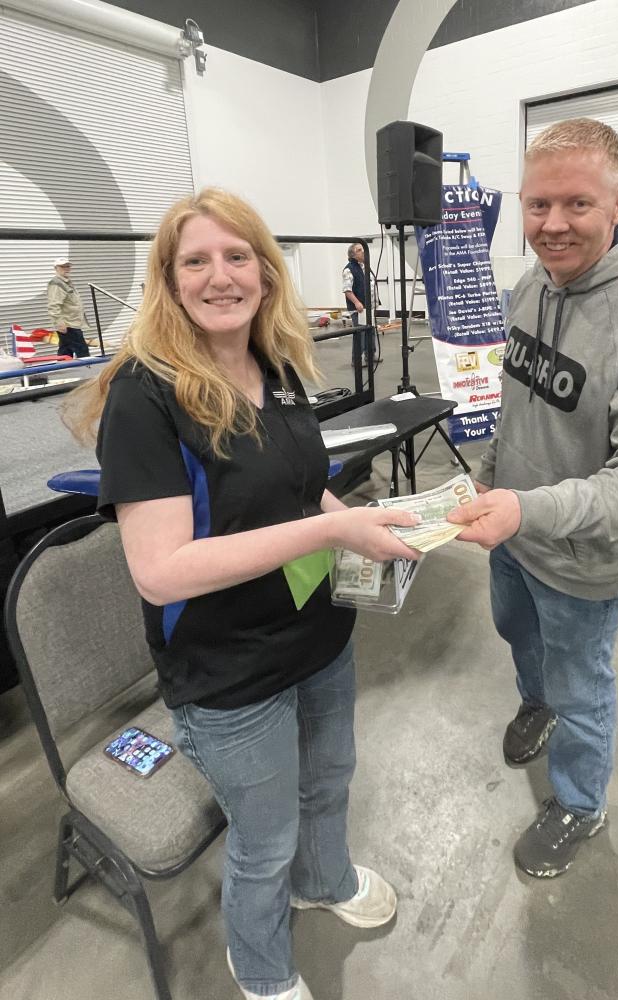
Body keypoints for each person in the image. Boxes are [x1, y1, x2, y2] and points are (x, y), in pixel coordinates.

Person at [65, 189, 420, 1000]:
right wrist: (332, 536)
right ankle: (260, 970)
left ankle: (323, 882)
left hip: (316, 634)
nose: (219, 276)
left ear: (265, 271)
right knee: (264, 836)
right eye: (196, 260)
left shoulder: (280, 364)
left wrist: (359, 518)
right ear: (169, 278)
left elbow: (304, 488)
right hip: (226, 671)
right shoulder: (145, 397)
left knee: (328, 780)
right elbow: (160, 571)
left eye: (237, 257)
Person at [447, 118, 618, 878]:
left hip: (583, 563)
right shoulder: (531, 283)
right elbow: (514, 399)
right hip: (511, 537)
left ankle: (581, 804)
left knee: (582, 688)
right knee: (520, 640)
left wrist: (532, 509)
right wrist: (490, 473)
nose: (552, 226)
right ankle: (536, 701)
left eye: (577, 206)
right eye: (536, 206)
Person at [47, 256, 91, 358]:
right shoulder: (56, 284)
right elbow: (54, 305)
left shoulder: (66, 282)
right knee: (82, 350)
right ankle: (88, 369)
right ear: (56, 268)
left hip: (71, 323)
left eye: (68, 266)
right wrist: (59, 323)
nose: (66, 269)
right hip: (68, 324)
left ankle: (63, 369)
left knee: (65, 349)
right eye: (63, 267)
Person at [342, 242, 378, 367]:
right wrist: (357, 302)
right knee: (360, 334)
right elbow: (347, 290)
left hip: (369, 307)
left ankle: (370, 356)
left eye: (363, 249)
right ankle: (356, 360)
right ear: (353, 254)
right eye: (359, 250)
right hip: (359, 309)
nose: (363, 251)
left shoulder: (364, 266)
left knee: (370, 332)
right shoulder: (349, 269)